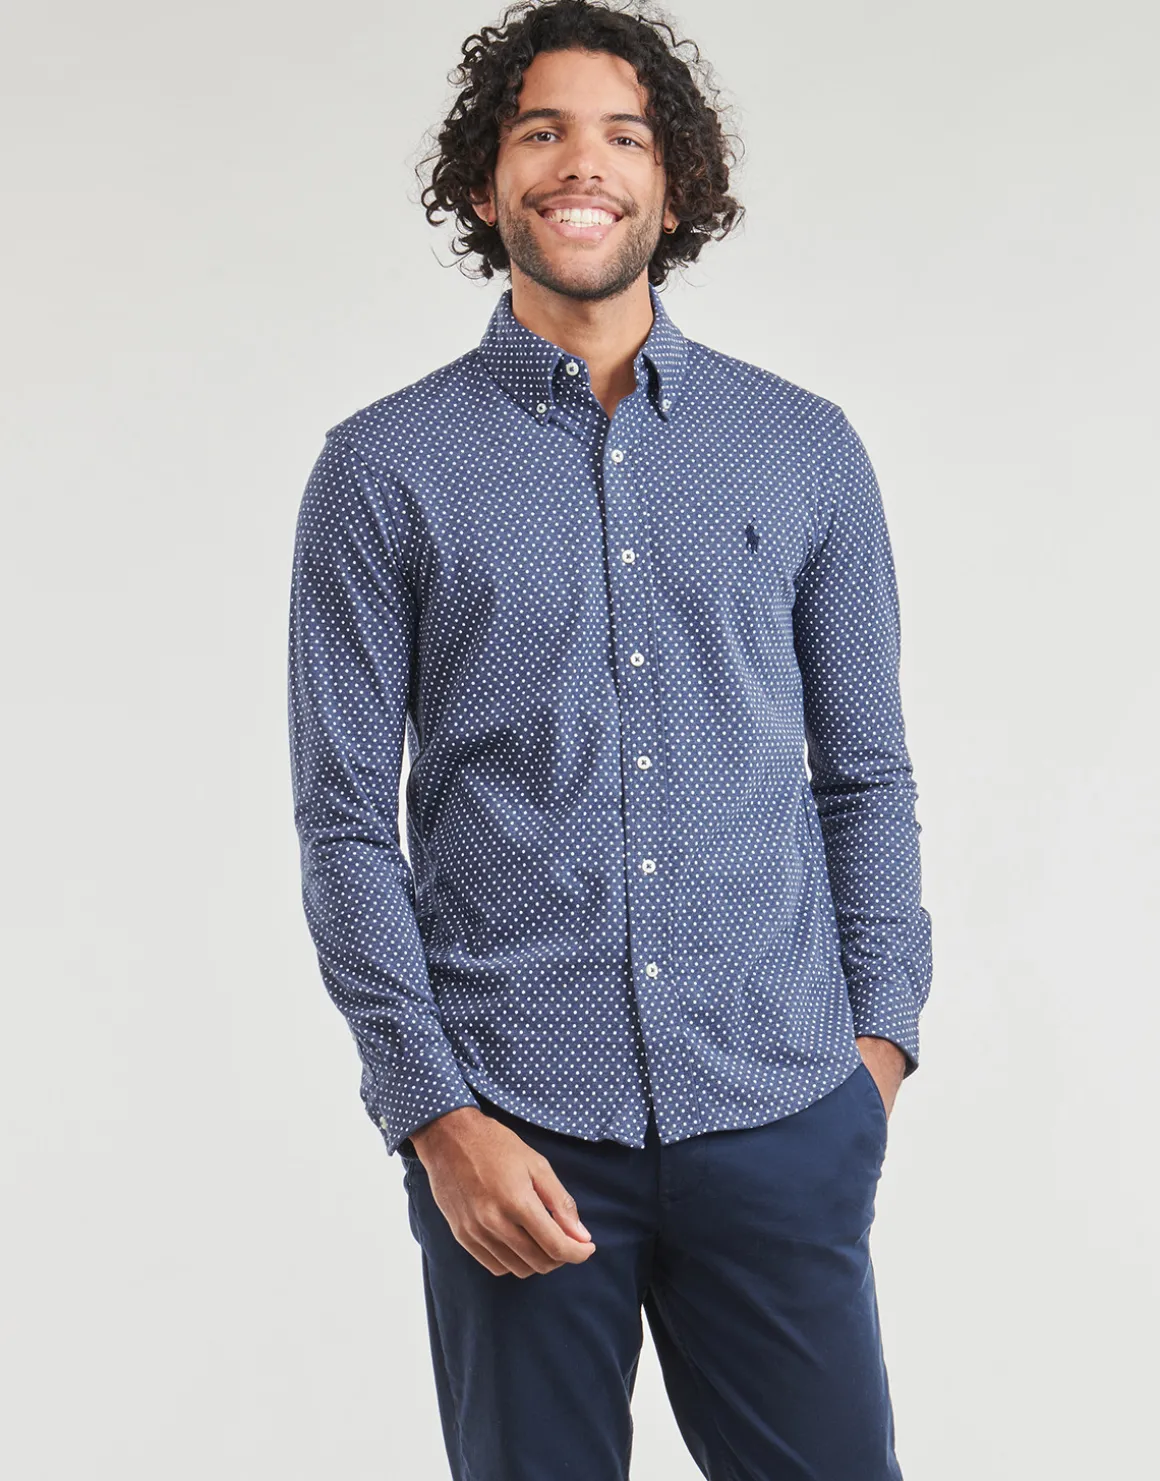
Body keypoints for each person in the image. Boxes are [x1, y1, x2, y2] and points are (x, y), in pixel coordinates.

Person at [287, 2, 933, 1476]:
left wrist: (876, 1058)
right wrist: (436, 1117)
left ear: (673, 185)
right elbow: (345, 824)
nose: (583, 164)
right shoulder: (382, 470)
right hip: (517, 1135)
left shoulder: (802, 449)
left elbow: (866, 775)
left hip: (779, 1108)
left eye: (624, 136)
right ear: (485, 183)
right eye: (543, 131)